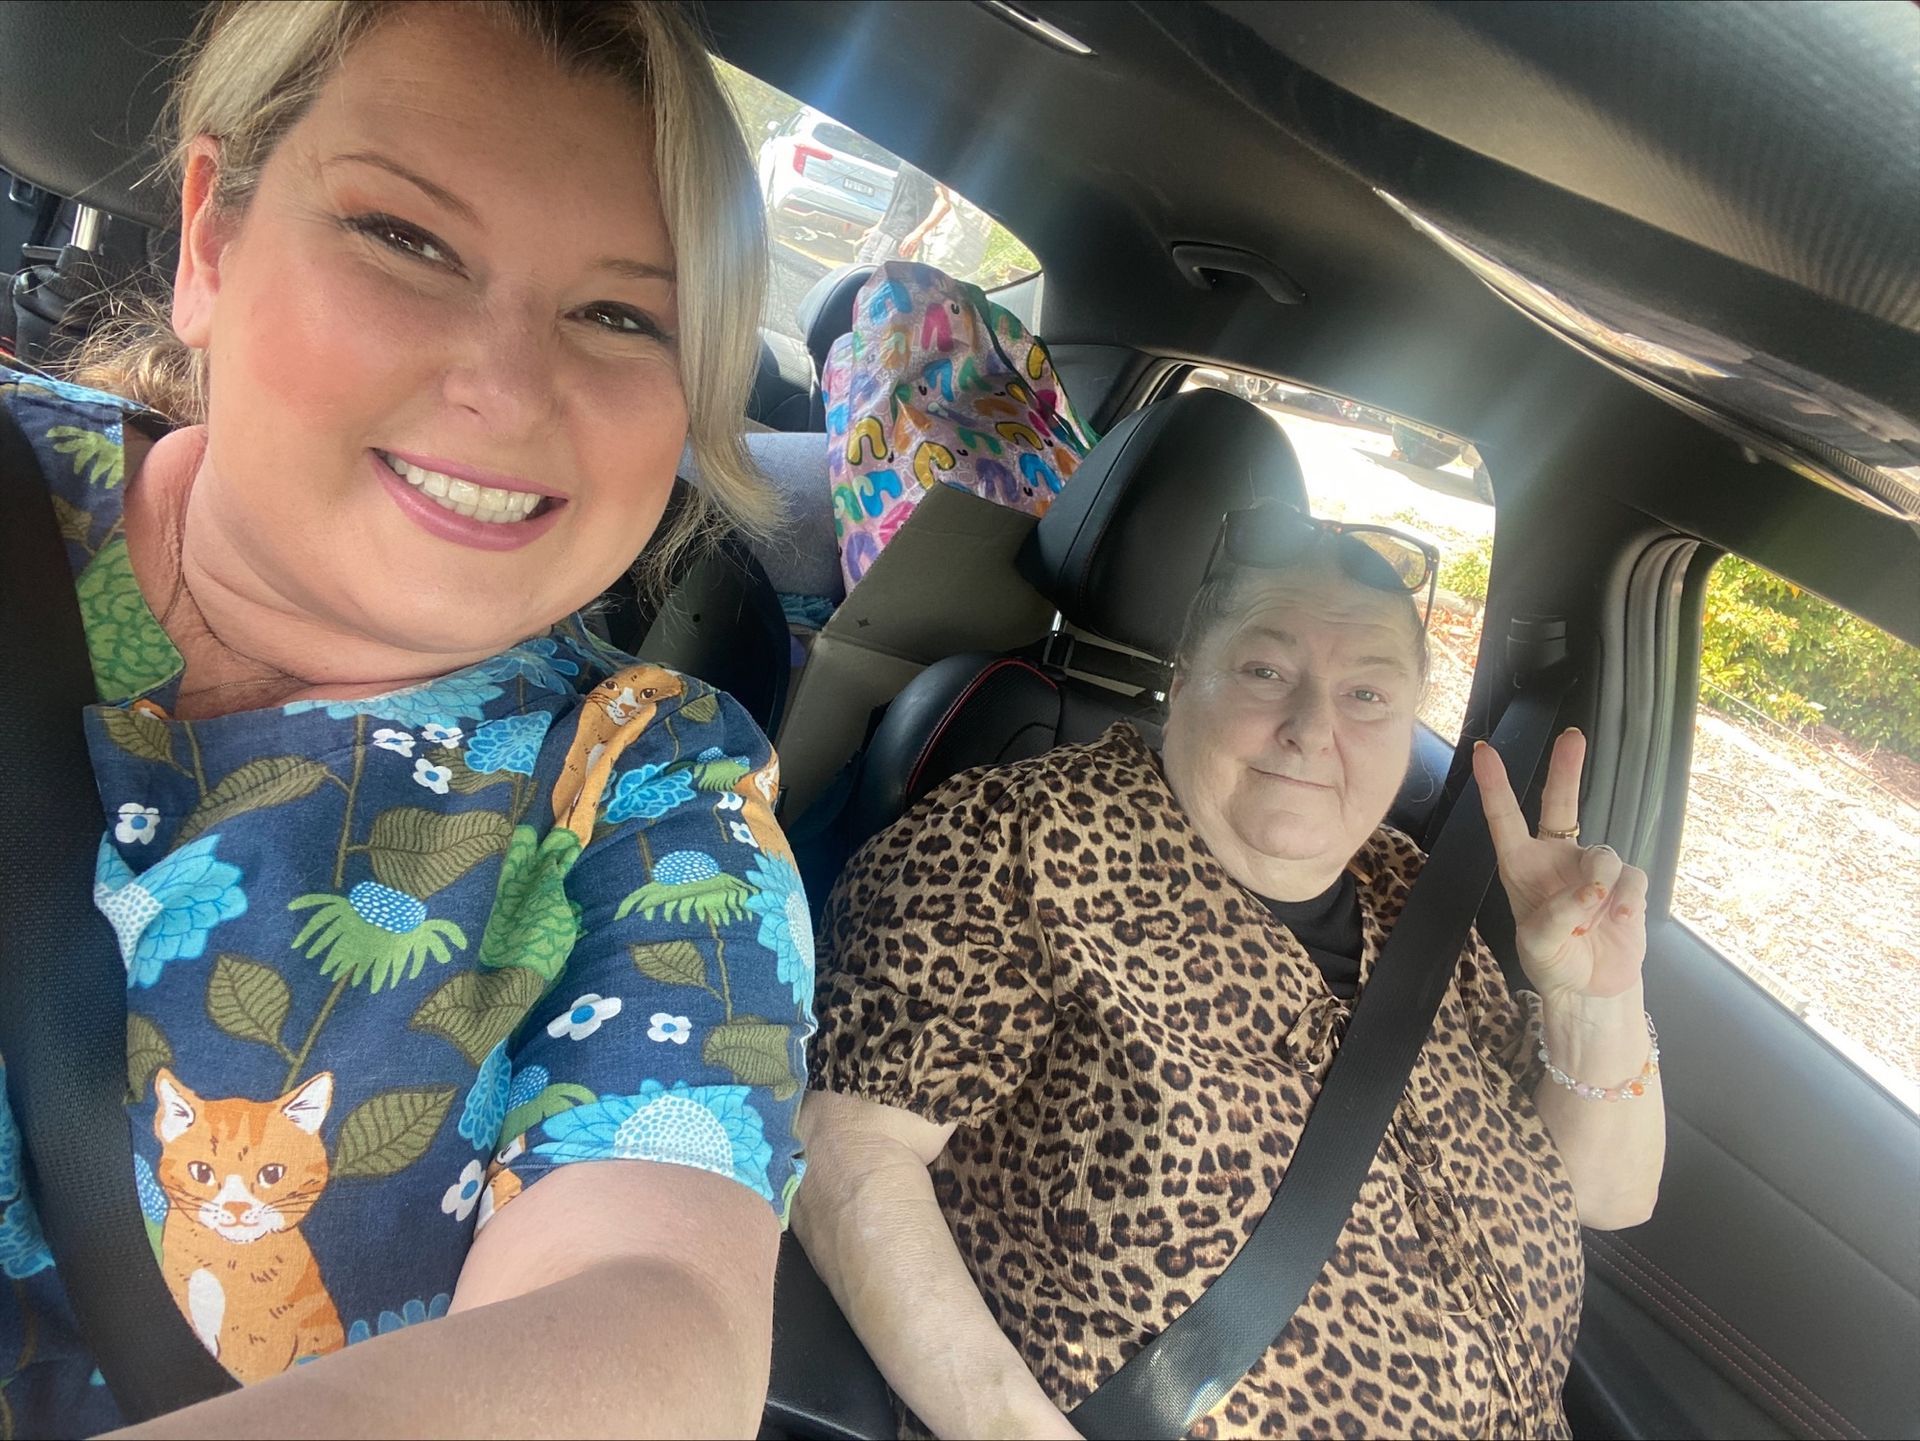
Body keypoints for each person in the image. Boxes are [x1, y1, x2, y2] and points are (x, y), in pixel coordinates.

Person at [0, 3, 812, 1436]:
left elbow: (657, 1309)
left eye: (625, 315)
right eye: (407, 240)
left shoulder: (648, 800)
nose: (504, 386)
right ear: (211, 239)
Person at [796, 504, 1666, 1439]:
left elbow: (1608, 1195)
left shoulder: (1413, 900)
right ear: (1181, 679)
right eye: (1265, 671)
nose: (1310, 726)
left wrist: (1594, 999)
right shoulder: (1019, 842)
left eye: (1367, 695)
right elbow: (847, 1153)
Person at [855, 160, 942, 265]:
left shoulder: (935, 164)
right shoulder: (906, 161)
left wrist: (918, 233)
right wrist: (878, 226)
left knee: (879, 275)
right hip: (883, 229)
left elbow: (945, 203)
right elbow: (898, 198)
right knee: (859, 270)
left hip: (902, 237)